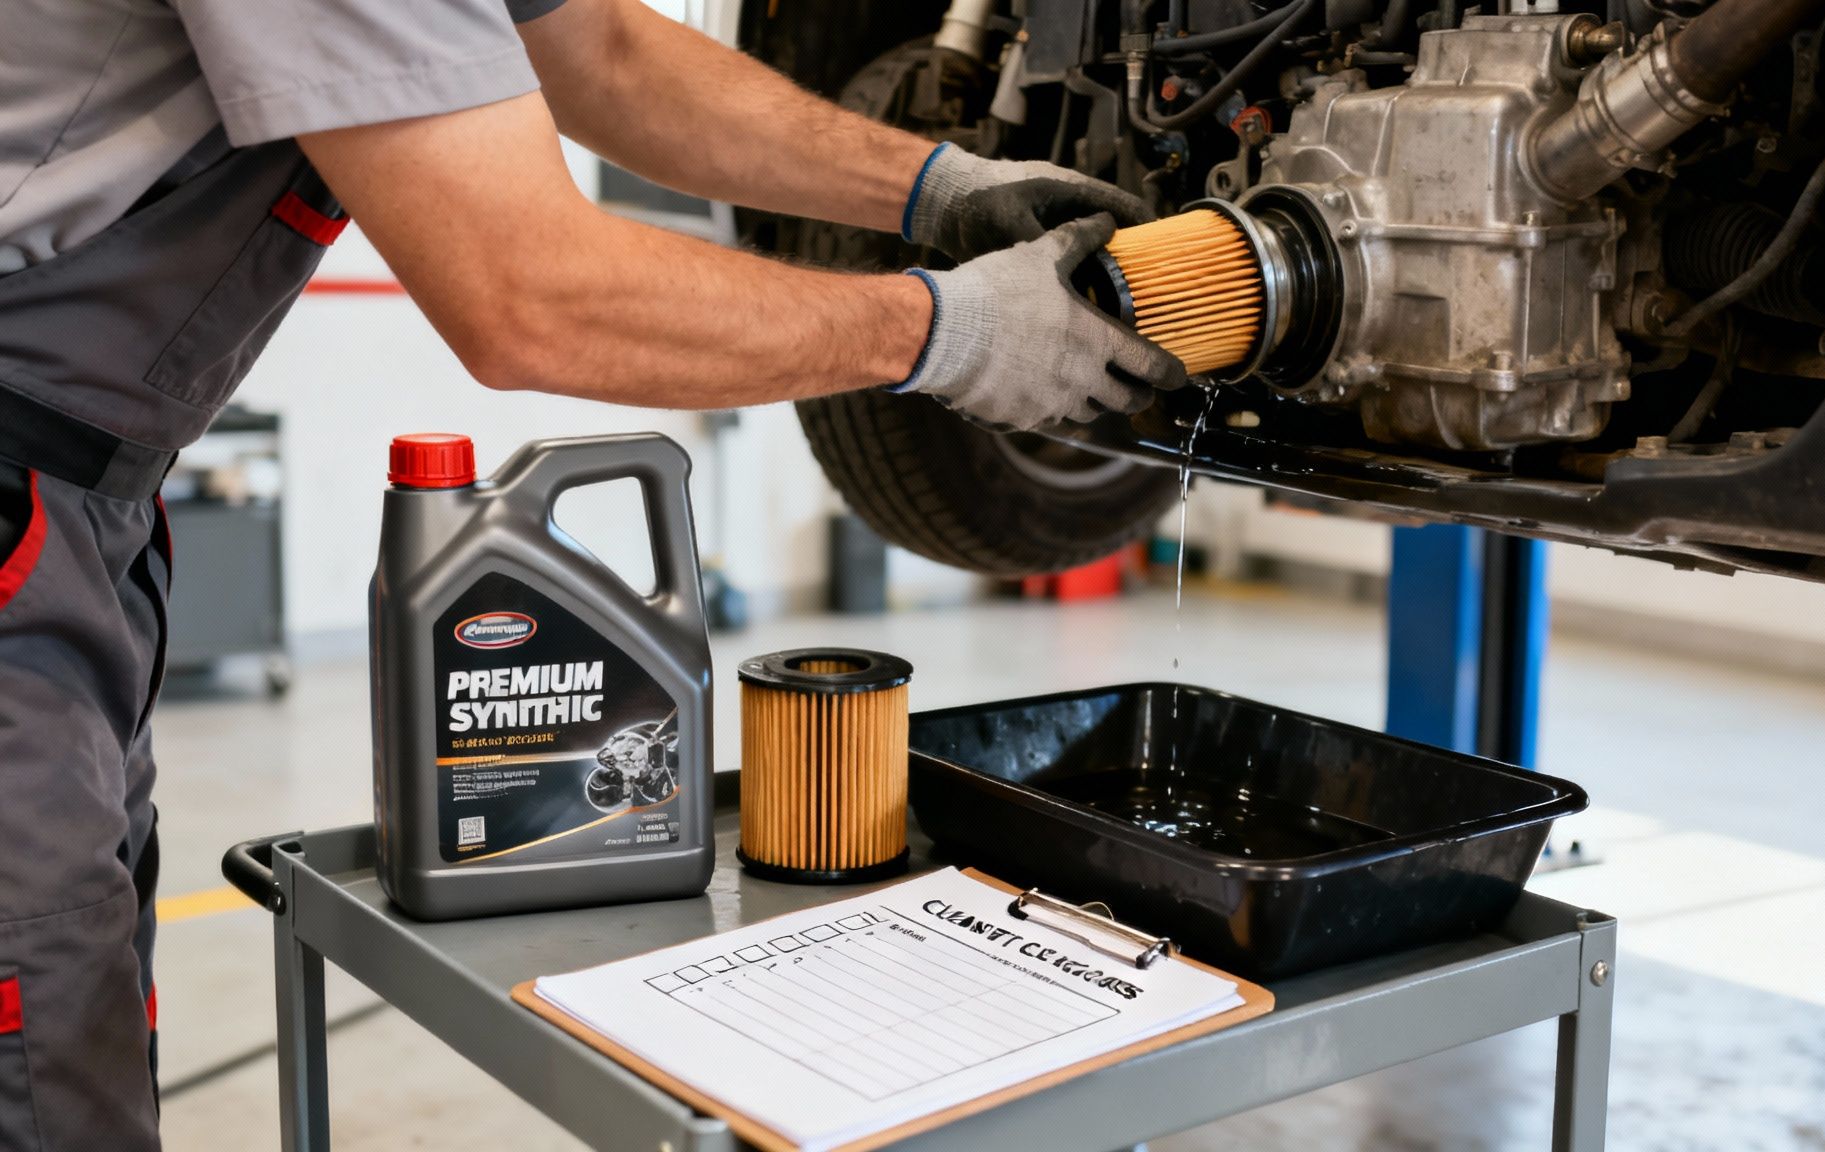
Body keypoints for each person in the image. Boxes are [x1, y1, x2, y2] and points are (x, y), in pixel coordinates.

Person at [0, 1, 1183, 1146]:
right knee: (39, 1039)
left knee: (72, 979)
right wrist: (944, 333)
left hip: (83, 505)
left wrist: (939, 187)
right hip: (23, 486)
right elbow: (527, 294)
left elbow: (604, 51)